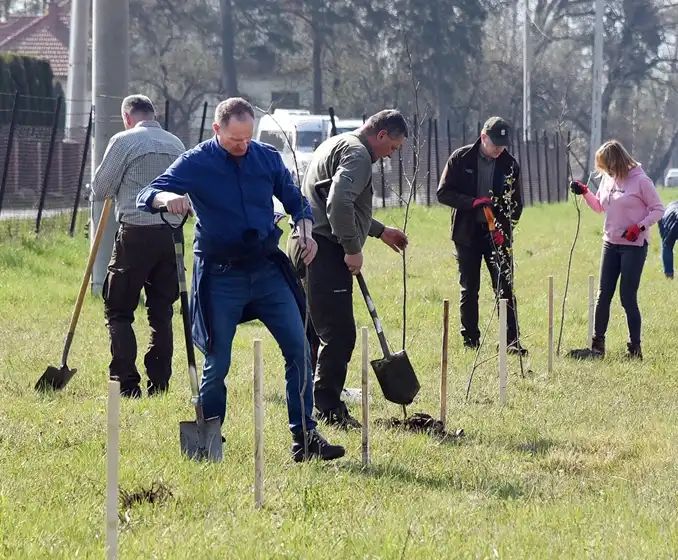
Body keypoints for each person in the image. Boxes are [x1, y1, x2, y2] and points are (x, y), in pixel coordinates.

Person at [136, 97, 345, 463]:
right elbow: (147, 194)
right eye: (235, 138)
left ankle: (305, 438)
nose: (242, 145)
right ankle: (210, 439)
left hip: (266, 267)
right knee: (218, 361)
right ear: (217, 130)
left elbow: (295, 199)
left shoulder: (265, 156)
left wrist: (304, 228)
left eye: (247, 137)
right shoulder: (197, 161)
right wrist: (168, 198)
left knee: (298, 348)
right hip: (220, 274)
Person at [287, 109, 409, 430]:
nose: (389, 155)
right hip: (324, 250)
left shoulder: (337, 143)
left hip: (304, 242)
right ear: (381, 135)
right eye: (392, 147)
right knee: (338, 334)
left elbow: (333, 198)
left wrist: (380, 230)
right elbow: (338, 203)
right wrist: (353, 250)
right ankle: (328, 407)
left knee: (314, 332)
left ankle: (309, 399)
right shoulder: (358, 155)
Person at [91, 94, 187, 399]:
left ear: (127, 117)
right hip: (171, 236)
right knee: (161, 312)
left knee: (118, 309)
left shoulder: (124, 140)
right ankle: (159, 385)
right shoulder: (176, 144)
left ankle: (126, 384)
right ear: (153, 115)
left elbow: (101, 189)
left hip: (135, 234)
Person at [436, 116, 526, 355]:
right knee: (469, 288)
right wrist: (472, 202)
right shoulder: (460, 158)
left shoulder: (510, 165)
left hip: (497, 236)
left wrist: (505, 231)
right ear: (483, 137)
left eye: (503, 145)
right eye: (495, 144)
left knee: (505, 287)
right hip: (466, 234)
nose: (499, 149)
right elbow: (443, 193)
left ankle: (511, 342)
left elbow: (516, 205)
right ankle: (470, 341)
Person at [568, 140, 664, 360]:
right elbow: (600, 207)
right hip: (610, 243)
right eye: (603, 168)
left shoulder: (641, 181)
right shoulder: (608, 179)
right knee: (603, 295)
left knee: (627, 297)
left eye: (608, 166)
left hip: (634, 246)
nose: (606, 171)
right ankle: (597, 346)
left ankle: (635, 348)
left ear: (617, 162)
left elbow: (659, 210)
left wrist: (639, 227)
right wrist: (584, 192)